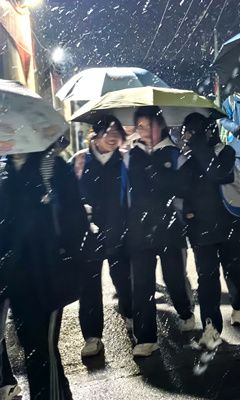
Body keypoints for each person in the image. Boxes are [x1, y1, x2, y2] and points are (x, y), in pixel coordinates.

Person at [0, 141, 90, 399]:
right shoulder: (5, 171)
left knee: (42, 349)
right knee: (32, 347)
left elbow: (75, 220)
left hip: (47, 276)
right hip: (16, 279)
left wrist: (62, 254)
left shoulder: (52, 166)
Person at [124, 106, 195, 357]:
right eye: (140, 126)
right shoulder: (131, 156)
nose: (144, 131)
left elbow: (183, 187)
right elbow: (127, 190)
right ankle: (146, 338)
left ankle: (185, 311)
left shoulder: (174, 154)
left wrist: (156, 170)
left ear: (161, 125)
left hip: (169, 229)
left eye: (149, 125)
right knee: (142, 284)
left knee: (173, 278)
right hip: (139, 230)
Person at [179, 112, 240, 350]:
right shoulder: (187, 158)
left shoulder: (225, 152)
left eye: (192, 131)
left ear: (206, 131)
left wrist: (199, 146)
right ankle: (211, 326)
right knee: (206, 278)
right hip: (201, 229)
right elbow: (183, 190)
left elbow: (219, 173)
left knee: (233, 270)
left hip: (229, 224)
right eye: (186, 131)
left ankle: (239, 304)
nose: (186, 136)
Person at [70, 116, 132, 357]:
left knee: (124, 280)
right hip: (89, 235)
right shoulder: (79, 161)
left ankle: (131, 318)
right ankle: (92, 336)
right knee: (89, 287)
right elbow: (66, 198)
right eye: (109, 132)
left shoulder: (125, 159)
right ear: (95, 134)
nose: (114, 137)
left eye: (118, 132)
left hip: (120, 231)